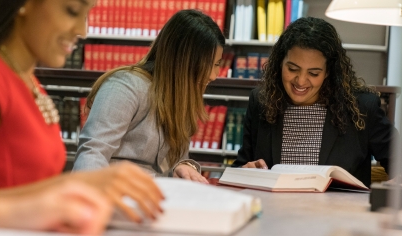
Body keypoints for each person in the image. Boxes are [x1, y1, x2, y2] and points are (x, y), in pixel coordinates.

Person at [0, 0, 164, 232]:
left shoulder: (28, 82)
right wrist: (72, 186)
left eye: (86, 15)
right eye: (72, 11)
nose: (82, 30)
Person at [232, 17, 397, 187]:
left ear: (328, 73)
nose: (301, 81)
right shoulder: (261, 102)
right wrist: (245, 171)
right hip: (273, 212)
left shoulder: (361, 108)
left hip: (340, 212)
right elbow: (240, 167)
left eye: (314, 73)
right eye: (292, 69)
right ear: (280, 63)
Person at [73, 9, 225, 184]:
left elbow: (170, 164)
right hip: (117, 198)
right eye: (213, 64)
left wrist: (183, 167)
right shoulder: (125, 87)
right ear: (186, 61)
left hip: (154, 197)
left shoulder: (182, 98)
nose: (215, 75)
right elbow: (93, 152)